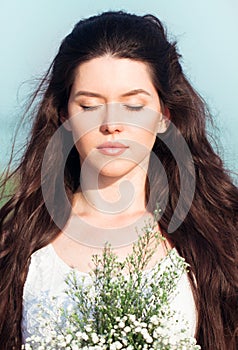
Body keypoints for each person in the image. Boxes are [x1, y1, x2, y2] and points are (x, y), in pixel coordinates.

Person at [0, 10, 237, 350]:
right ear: (66, 116)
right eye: (90, 106)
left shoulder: (219, 241)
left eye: (134, 106)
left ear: (164, 116)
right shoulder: (16, 246)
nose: (112, 123)